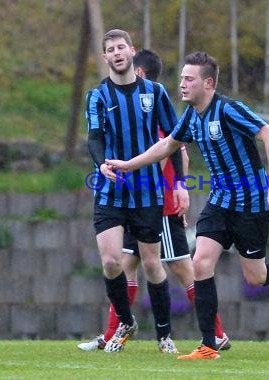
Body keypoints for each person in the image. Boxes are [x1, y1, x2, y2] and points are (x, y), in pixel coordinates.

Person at [105, 51, 269, 360]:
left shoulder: (230, 110)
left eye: (188, 79)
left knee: (256, 277)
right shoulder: (192, 116)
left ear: (208, 83)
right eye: (181, 78)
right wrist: (129, 165)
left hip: (250, 202)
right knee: (201, 263)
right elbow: (167, 146)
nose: (181, 84)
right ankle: (209, 344)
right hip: (220, 201)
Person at [78, 49, 230, 352]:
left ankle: (215, 333)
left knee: (180, 267)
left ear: (141, 74)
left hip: (157, 205)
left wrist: (178, 188)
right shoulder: (127, 109)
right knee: (127, 264)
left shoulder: (152, 114)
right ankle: (114, 333)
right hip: (130, 203)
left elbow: (177, 152)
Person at [85, 29, 188, 354]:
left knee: (152, 264)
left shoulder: (155, 93)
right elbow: (95, 137)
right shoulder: (98, 96)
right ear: (105, 58)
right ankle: (127, 322)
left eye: (120, 47)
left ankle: (164, 334)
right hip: (110, 189)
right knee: (111, 261)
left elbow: (174, 140)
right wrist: (101, 163)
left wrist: (181, 184)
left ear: (131, 51)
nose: (116, 53)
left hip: (147, 191)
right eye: (110, 49)